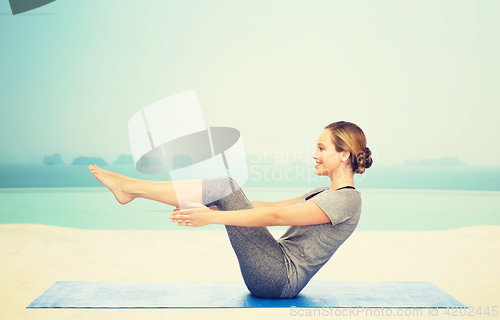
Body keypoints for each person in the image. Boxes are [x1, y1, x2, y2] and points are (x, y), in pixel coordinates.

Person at [88, 120, 372, 299]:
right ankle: (131, 187)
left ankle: (131, 188)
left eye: (321, 148)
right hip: (273, 269)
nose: (314, 154)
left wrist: (213, 217)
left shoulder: (348, 200)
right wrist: (210, 204)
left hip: (279, 278)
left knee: (226, 184)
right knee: (225, 190)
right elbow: (268, 206)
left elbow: (276, 218)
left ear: (344, 154)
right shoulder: (322, 193)